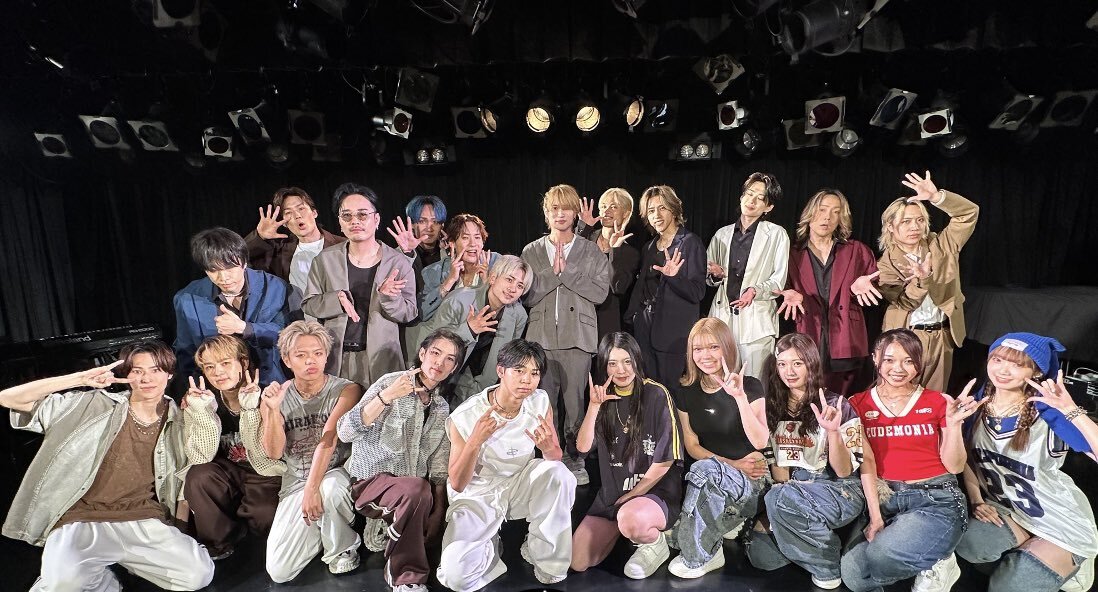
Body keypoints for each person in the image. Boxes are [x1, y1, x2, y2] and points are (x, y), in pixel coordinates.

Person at [0, 342, 215, 591]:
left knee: (197, 575)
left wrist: (180, 532)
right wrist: (80, 379)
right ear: (126, 375)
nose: (146, 378)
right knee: (63, 584)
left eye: (155, 370)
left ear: (169, 374)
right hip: (81, 517)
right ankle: (102, 580)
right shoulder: (92, 405)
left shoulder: (179, 420)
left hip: (142, 517)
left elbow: (183, 481)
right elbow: (7, 398)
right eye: (137, 371)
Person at [841, 328, 982, 592]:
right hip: (886, 498)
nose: (899, 369)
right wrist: (875, 517)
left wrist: (953, 425)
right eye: (889, 360)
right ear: (875, 358)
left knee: (880, 555)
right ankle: (929, 552)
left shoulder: (938, 401)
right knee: (854, 576)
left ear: (920, 362)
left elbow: (954, 466)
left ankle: (938, 560)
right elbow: (865, 462)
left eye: (909, 361)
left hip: (935, 498)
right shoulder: (856, 404)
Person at [955, 333, 1097, 592]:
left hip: (1058, 519)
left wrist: (1071, 411)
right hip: (1012, 511)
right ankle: (1028, 554)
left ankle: (1067, 563)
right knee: (968, 543)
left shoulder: (1048, 412)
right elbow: (966, 459)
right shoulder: (976, 404)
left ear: (1036, 372)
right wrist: (976, 499)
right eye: (998, 359)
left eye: (1017, 364)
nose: (1003, 370)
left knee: (1007, 586)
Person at [437, 339, 576, 591]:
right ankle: (488, 548)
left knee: (559, 474)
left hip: (518, 484)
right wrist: (475, 442)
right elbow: (457, 483)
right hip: (477, 494)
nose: (527, 380)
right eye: (519, 370)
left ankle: (546, 557)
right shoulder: (466, 415)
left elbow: (554, 457)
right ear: (501, 370)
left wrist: (547, 449)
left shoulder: (539, 401)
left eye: (534, 373)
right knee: (456, 578)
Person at [337, 329, 467, 592]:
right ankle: (406, 577)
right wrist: (386, 397)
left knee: (437, 520)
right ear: (422, 354)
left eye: (449, 359)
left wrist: (439, 509)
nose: (440, 363)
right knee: (416, 489)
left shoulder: (441, 407)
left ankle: (393, 541)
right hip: (369, 483)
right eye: (435, 353)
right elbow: (345, 432)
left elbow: (439, 464)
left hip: (414, 492)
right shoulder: (390, 383)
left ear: (453, 368)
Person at [743, 333, 866, 590]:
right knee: (762, 557)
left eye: (797, 363)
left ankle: (827, 564)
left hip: (838, 488)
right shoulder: (772, 406)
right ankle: (809, 538)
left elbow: (844, 471)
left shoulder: (836, 404)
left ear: (811, 363)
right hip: (792, 490)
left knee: (778, 499)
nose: (789, 371)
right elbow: (780, 472)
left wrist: (833, 432)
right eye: (783, 364)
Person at [252, 320, 364, 582]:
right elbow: (273, 452)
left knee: (330, 488)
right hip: (296, 483)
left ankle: (342, 549)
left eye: (317, 353)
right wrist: (273, 411)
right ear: (287, 360)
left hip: (336, 474)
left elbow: (329, 439)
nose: (310, 361)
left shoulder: (346, 390)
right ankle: (326, 529)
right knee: (279, 572)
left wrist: (312, 490)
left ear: (326, 356)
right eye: (301, 355)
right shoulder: (275, 396)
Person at [571, 332, 684, 579]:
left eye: (626, 361)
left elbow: (666, 459)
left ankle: (655, 543)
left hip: (654, 492)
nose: (621, 370)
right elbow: (582, 448)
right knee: (578, 561)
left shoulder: (656, 393)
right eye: (612, 363)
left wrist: (632, 495)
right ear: (604, 365)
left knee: (631, 518)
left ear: (636, 360)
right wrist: (593, 407)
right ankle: (626, 528)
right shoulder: (602, 397)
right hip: (614, 495)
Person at [521, 184, 610, 483]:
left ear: (575, 214)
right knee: (543, 404)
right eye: (554, 209)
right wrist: (553, 274)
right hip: (541, 338)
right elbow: (526, 295)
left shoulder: (590, 250)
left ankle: (576, 459)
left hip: (578, 338)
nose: (560, 214)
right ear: (546, 214)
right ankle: (550, 456)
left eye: (566, 208)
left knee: (575, 404)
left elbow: (600, 293)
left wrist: (567, 272)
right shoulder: (532, 250)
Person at [668, 317, 769, 578]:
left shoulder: (750, 385)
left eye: (713, 347)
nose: (705, 356)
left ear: (727, 347)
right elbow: (691, 445)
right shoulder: (686, 392)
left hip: (752, 479)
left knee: (703, 474)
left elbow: (760, 442)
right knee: (704, 471)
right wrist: (731, 464)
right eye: (698, 349)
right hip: (713, 477)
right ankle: (719, 531)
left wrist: (740, 398)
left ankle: (699, 556)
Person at [302, 183, 417, 387]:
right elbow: (308, 304)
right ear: (340, 222)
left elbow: (409, 313)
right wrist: (335, 300)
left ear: (376, 219)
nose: (355, 221)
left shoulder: (397, 262)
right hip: (336, 358)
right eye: (347, 216)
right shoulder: (325, 260)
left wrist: (389, 298)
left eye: (362, 215)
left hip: (381, 359)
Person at [876, 171, 979, 393]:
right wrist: (922, 280)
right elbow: (905, 302)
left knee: (935, 400)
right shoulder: (885, 264)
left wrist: (937, 197)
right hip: (905, 336)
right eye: (906, 221)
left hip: (942, 335)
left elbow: (969, 213)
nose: (915, 227)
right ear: (890, 226)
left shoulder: (942, 245)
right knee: (899, 396)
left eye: (920, 220)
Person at [182, 335, 283, 561]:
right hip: (227, 473)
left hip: (264, 473)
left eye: (225, 363)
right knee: (198, 476)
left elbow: (265, 455)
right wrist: (202, 412)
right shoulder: (199, 401)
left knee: (265, 517)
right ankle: (219, 545)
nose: (218, 372)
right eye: (209, 367)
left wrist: (250, 410)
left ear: (243, 363)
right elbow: (200, 457)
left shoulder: (266, 396)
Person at [775, 189, 881, 396]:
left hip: (846, 340)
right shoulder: (790, 254)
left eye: (835, 212)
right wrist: (787, 293)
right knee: (809, 400)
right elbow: (779, 287)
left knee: (845, 402)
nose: (828, 217)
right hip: (808, 335)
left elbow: (875, 285)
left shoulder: (857, 250)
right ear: (809, 214)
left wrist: (860, 288)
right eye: (822, 210)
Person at [174, 227, 290, 386]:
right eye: (213, 270)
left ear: (244, 262)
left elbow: (287, 335)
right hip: (217, 388)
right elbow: (186, 352)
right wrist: (194, 388)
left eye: (229, 268)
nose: (223, 278)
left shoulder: (274, 287)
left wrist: (245, 328)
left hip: (269, 383)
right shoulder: (187, 299)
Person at [411, 255, 531, 401]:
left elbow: (506, 359)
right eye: (509, 280)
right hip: (442, 375)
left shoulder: (519, 315)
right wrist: (469, 329)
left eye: (520, 286)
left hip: (482, 382)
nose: (513, 289)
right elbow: (435, 345)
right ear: (493, 278)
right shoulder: (459, 300)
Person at [706, 172, 790, 378]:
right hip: (722, 318)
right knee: (720, 381)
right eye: (749, 194)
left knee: (754, 385)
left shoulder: (777, 234)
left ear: (768, 207)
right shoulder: (722, 234)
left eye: (760, 198)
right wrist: (717, 275)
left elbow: (778, 280)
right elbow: (708, 275)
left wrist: (755, 290)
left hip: (757, 323)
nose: (752, 201)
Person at [625, 184, 706, 389]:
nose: (657, 215)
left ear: (674, 210)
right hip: (645, 333)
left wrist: (674, 277)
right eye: (651, 211)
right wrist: (635, 317)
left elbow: (697, 292)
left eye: (662, 208)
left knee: (672, 394)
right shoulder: (649, 247)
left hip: (673, 337)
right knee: (649, 393)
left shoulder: (690, 243)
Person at [245, 186, 346, 318]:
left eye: (301, 208)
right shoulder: (279, 252)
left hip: (339, 319)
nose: (297, 216)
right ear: (284, 223)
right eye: (288, 213)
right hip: (300, 323)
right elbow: (236, 257)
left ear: (314, 213)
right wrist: (259, 236)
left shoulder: (342, 245)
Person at [414, 213, 500, 327]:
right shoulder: (434, 271)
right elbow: (423, 313)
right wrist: (449, 281)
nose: (473, 244)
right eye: (465, 238)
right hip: (446, 332)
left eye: (477, 237)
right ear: (452, 243)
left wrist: (486, 283)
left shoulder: (497, 263)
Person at [577, 188, 641, 338]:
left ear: (626, 213)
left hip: (607, 324)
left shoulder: (630, 253)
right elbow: (570, 261)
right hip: (580, 318)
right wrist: (583, 228)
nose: (606, 211)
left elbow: (618, 287)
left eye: (614, 207)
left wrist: (615, 250)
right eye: (604, 206)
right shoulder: (586, 237)